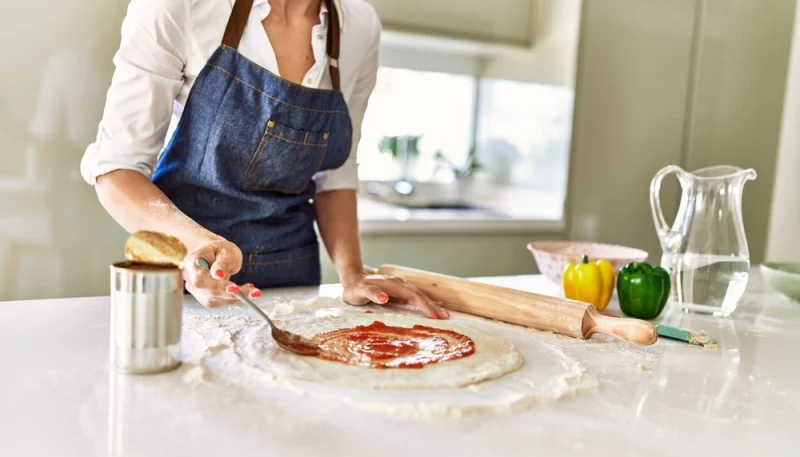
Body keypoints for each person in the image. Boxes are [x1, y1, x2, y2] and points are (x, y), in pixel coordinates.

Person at [80, 0, 448, 319]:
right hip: (184, 281)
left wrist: (352, 273)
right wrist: (196, 246)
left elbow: (335, 174)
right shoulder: (181, 6)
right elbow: (117, 170)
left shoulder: (360, 25)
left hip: (295, 287)